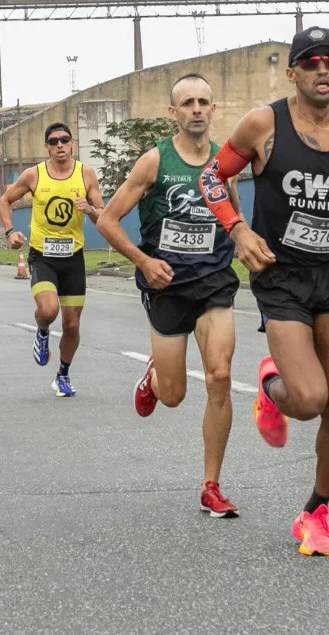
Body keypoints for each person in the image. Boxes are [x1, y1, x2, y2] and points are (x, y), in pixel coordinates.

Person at [198, 26, 329, 555]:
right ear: (292, 72)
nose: (322, 70)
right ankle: (272, 388)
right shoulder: (263, 124)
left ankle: (315, 511)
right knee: (310, 400)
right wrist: (239, 230)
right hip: (281, 275)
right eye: (310, 62)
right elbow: (211, 179)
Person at [97, 73, 243, 518]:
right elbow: (107, 221)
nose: (196, 109)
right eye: (188, 103)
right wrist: (143, 262)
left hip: (215, 279)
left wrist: (248, 246)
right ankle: (156, 377)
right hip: (166, 283)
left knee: (219, 377)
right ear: (173, 113)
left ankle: (211, 485)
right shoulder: (154, 162)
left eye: (203, 102)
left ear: (213, 109)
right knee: (175, 394)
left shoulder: (225, 162)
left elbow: (236, 218)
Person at [0, 122, 105, 397]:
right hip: (42, 255)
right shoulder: (34, 175)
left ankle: (63, 375)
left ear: (72, 144)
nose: (60, 145)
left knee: (72, 324)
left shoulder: (87, 175)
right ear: (46, 146)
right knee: (48, 311)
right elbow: (4, 200)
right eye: (54, 141)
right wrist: (10, 231)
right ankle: (42, 330)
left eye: (64, 140)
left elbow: (103, 217)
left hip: (74, 258)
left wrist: (90, 209)